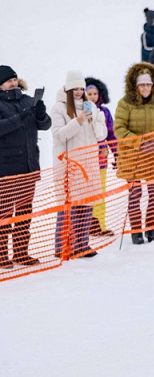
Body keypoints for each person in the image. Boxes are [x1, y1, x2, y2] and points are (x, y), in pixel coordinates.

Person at [51, 70, 107, 259]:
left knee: (86, 205)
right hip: (69, 166)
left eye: (81, 88)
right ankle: (62, 246)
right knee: (69, 207)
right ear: (68, 88)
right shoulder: (58, 108)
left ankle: (81, 245)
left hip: (89, 163)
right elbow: (58, 134)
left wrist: (97, 121)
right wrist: (78, 121)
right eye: (75, 88)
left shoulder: (89, 105)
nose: (78, 92)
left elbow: (101, 135)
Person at [0, 66, 52, 268]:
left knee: (24, 214)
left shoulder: (28, 100)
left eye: (14, 79)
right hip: (5, 170)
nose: (13, 83)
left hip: (29, 167)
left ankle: (22, 253)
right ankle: (2, 255)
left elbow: (45, 125)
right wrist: (21, 117)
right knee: (4, 214)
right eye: (8, 80)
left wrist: (40, 114)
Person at [114, 63, 154, 245]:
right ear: (135, 86)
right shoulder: (125, 103)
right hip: (132, 156)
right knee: (135, 195)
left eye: (148, 84)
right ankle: (136, 231)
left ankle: (150, 228)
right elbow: (119, 129)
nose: (145, 88)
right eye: (141, 85)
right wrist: (140, 142)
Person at [85, 77, 117, 237]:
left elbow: (111, 134)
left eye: (95, 93)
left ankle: (99, 224)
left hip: (102, 158)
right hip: (85, 161)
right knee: (87, 194)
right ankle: (85, 225)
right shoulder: (82, 112)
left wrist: (116, 153)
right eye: (89, 93)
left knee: (100, 193)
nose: (92, 96)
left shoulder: (105, 112)